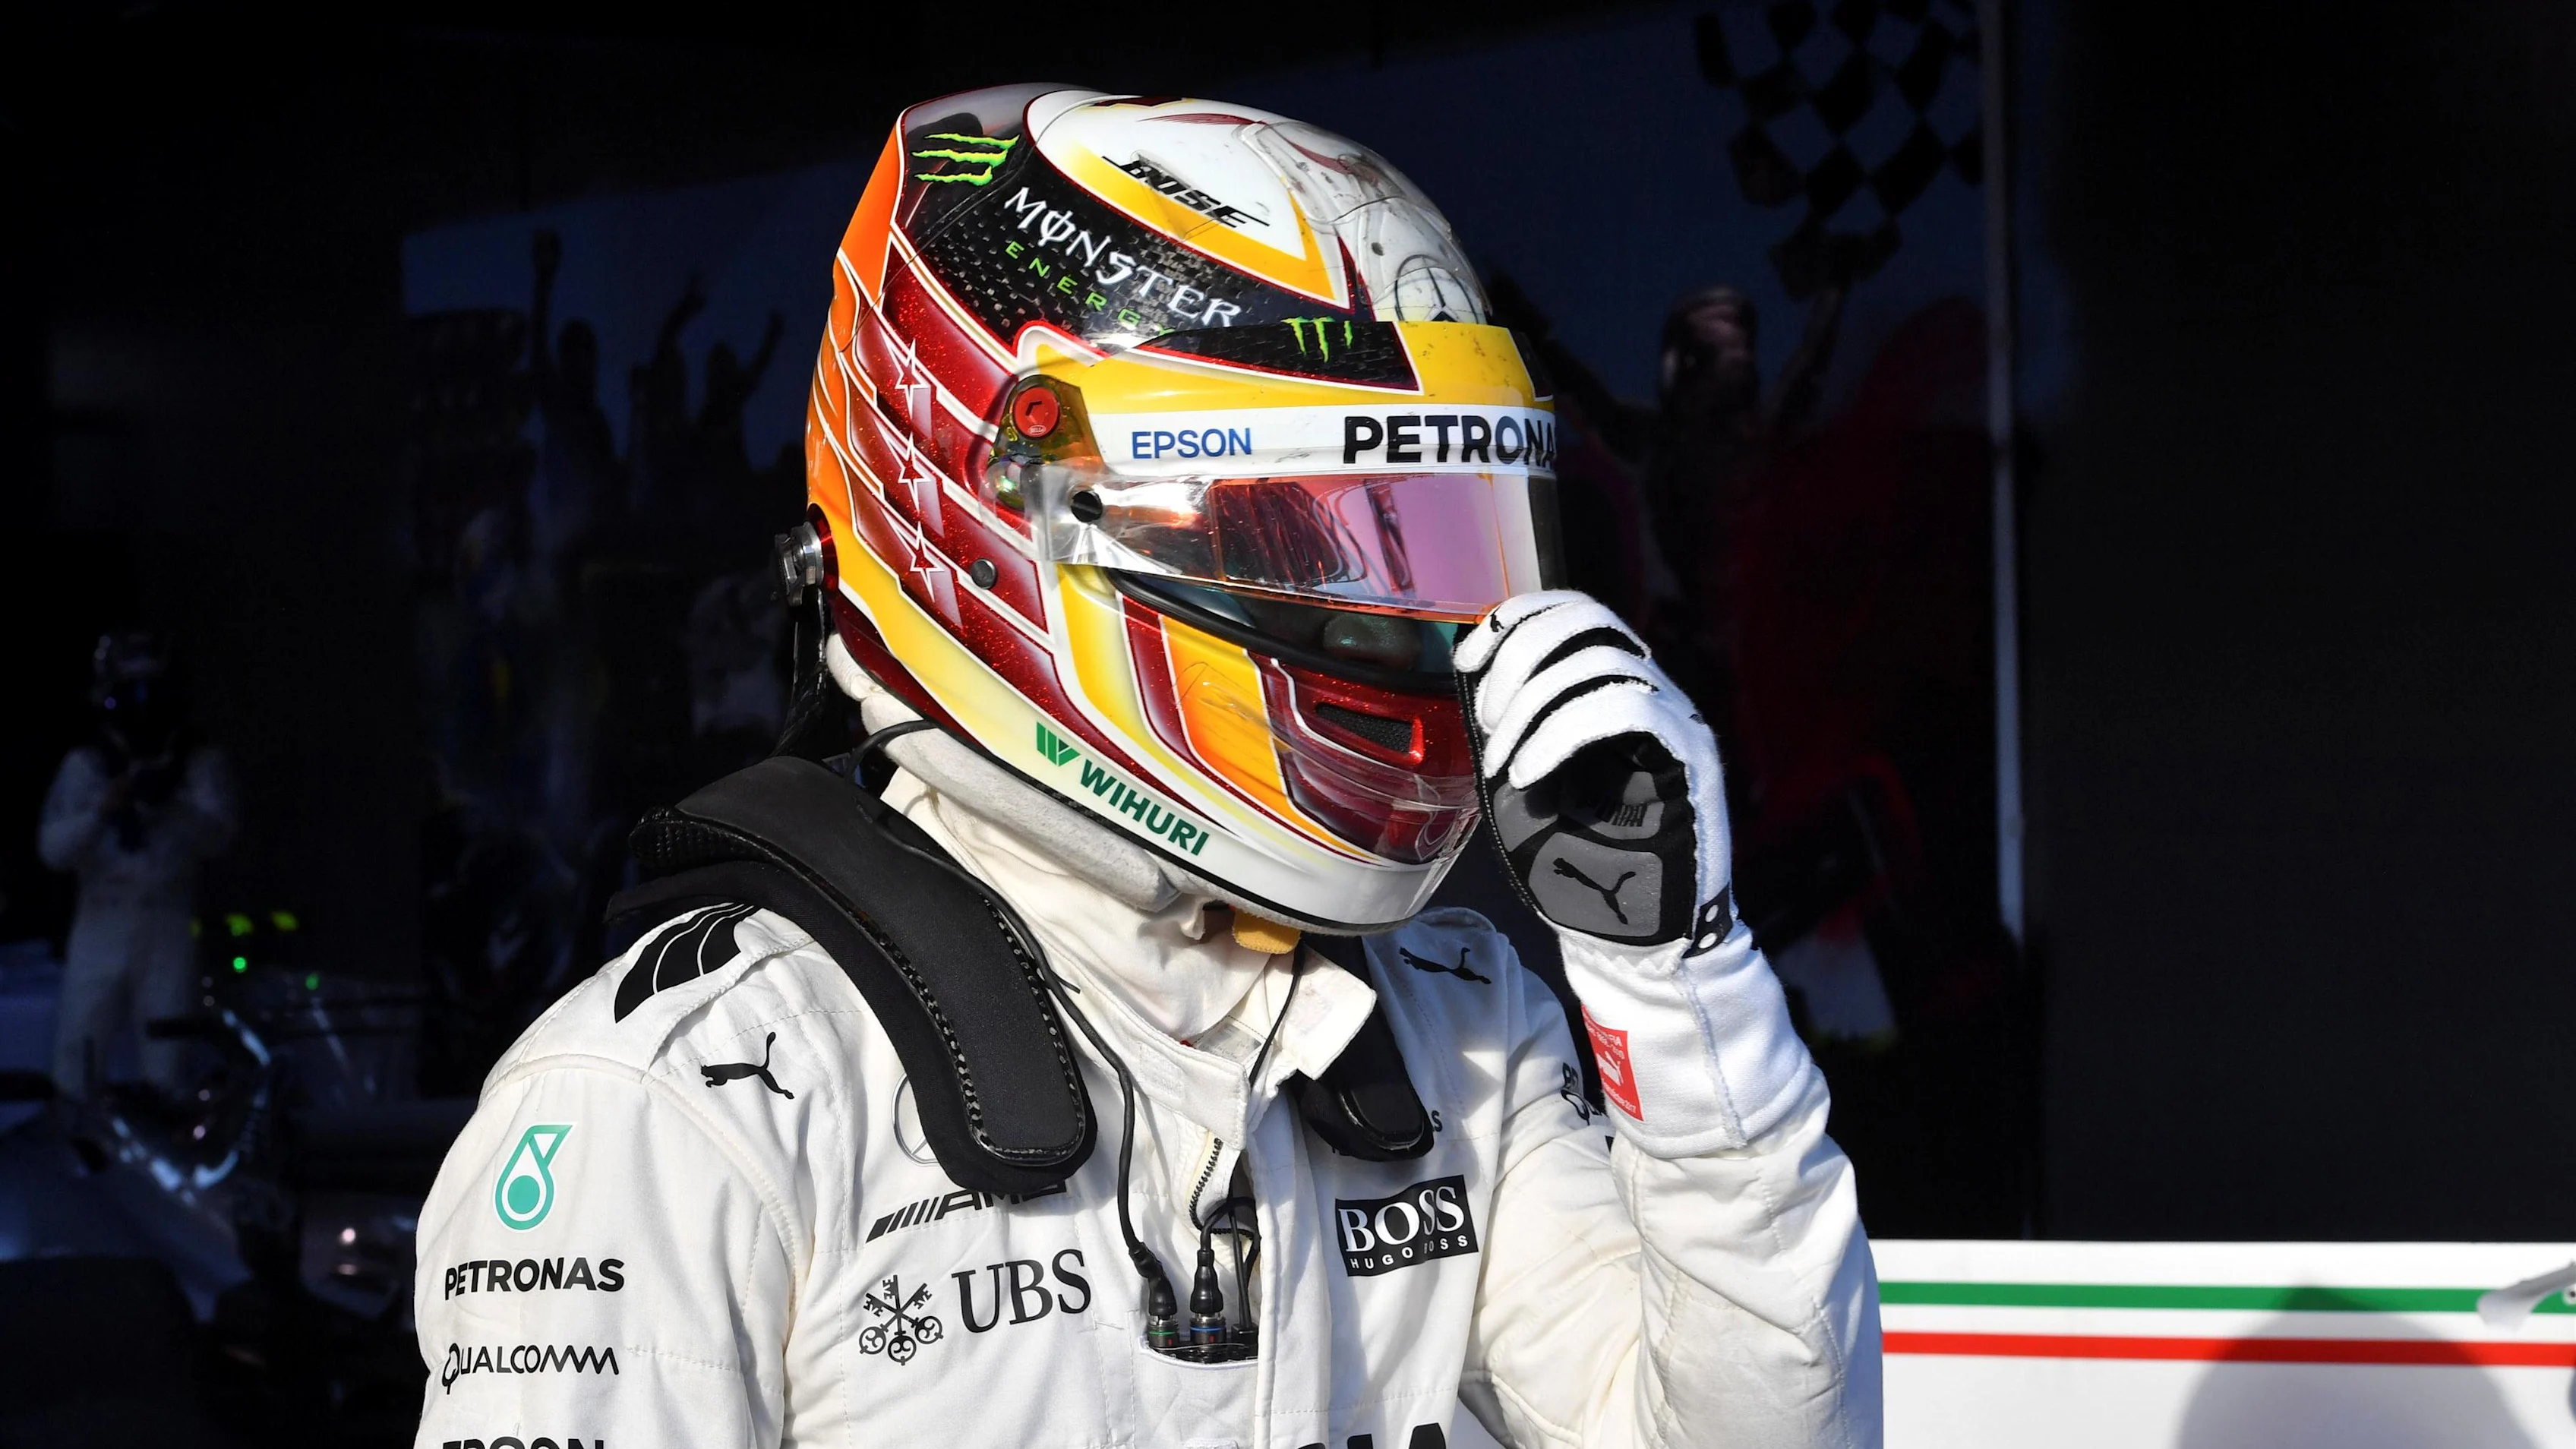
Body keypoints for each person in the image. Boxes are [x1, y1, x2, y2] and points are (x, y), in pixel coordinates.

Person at [412, 87, 1879, 1448]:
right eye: (1314, 538)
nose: (1427, 623)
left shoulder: (1454, 1032)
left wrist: (1678, 985)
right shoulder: (687, 1103)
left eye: (1435, 535)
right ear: (1006, 517)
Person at [39, 631, 237, 1098]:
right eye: (132, 691)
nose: (144, 704)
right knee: (79, 1049)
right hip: (101, 918)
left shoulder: (199, 765)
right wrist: (104, 810)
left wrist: (173, 804)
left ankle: (164, 1157)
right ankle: (77, 1151)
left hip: (168, 918)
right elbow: (53, 850)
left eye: (154, 690)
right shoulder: (85, 767)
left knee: (169, 1052)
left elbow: (221, 838)